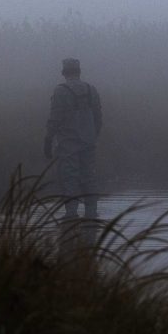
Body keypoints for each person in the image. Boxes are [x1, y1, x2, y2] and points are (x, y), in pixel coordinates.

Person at [44, 58, 103, 220]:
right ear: (79, 72)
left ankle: (71, 215)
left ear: (63, 72)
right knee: (89, 176)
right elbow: (98, 118)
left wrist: (48, 139)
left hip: (68, 143)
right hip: (88, 142)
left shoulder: (60, 91)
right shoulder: (91, 89)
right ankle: (92, 213)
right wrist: (93, 136)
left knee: (69, 177)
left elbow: (55, 118)